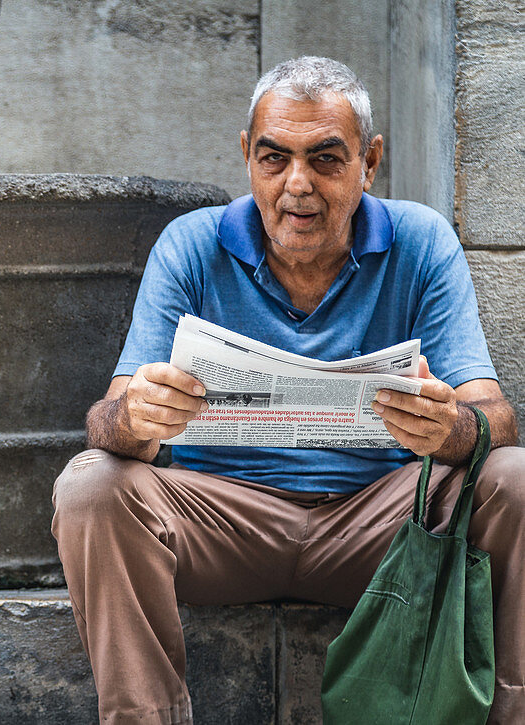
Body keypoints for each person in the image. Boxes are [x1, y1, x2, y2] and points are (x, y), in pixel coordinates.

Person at [52, 56, 525, 724]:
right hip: (221, 523)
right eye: (275, 158)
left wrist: (452, 429)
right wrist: (137, 415)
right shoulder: (191, 245)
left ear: (370, 161)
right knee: (90, 483)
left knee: (514, 474)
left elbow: (495, 417)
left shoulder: (421, 242)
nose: (297, 185)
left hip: (381, 524)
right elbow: (107, 422)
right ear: (247, 156)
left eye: (326, 159)